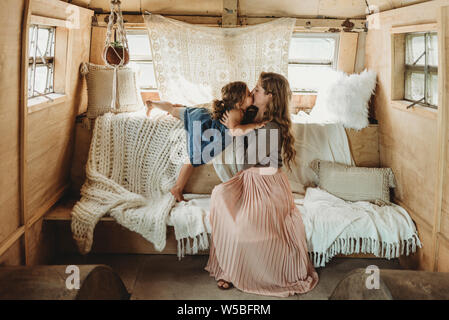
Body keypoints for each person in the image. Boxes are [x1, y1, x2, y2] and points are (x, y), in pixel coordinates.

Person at [204, 72, 319, 296]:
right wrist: (238, 127)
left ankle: (250, 271)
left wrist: (235, 131)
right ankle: (231, 269)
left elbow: (245, 162)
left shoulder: (271, 127)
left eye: (257, 89)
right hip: (249, 180)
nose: (253, 92)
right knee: (220, 197)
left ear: (270, 96)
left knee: (245, 226)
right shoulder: (254, 118)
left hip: (267, 185)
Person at [145, 81, 265, 201]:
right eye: (248, 94)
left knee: (173, 109)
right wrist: (254, 126)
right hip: (203, 128)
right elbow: (234, 130)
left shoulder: (237, 110)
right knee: (194, 158)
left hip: (199, 116)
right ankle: (177, 188)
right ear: (239, 103)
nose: (251, 94)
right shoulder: (236, 113)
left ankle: (152, 104)